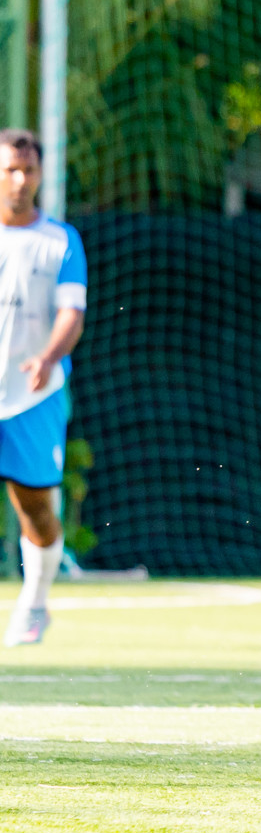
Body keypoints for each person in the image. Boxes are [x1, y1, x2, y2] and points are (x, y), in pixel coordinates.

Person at [0, 129, 85, 647]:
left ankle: (35, 602)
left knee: (35, 509)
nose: (19, 180)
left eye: (28, 170)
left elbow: (71, 313)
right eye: (10, 169)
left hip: (34, 396)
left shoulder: (60, 240)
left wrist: (48, 357)